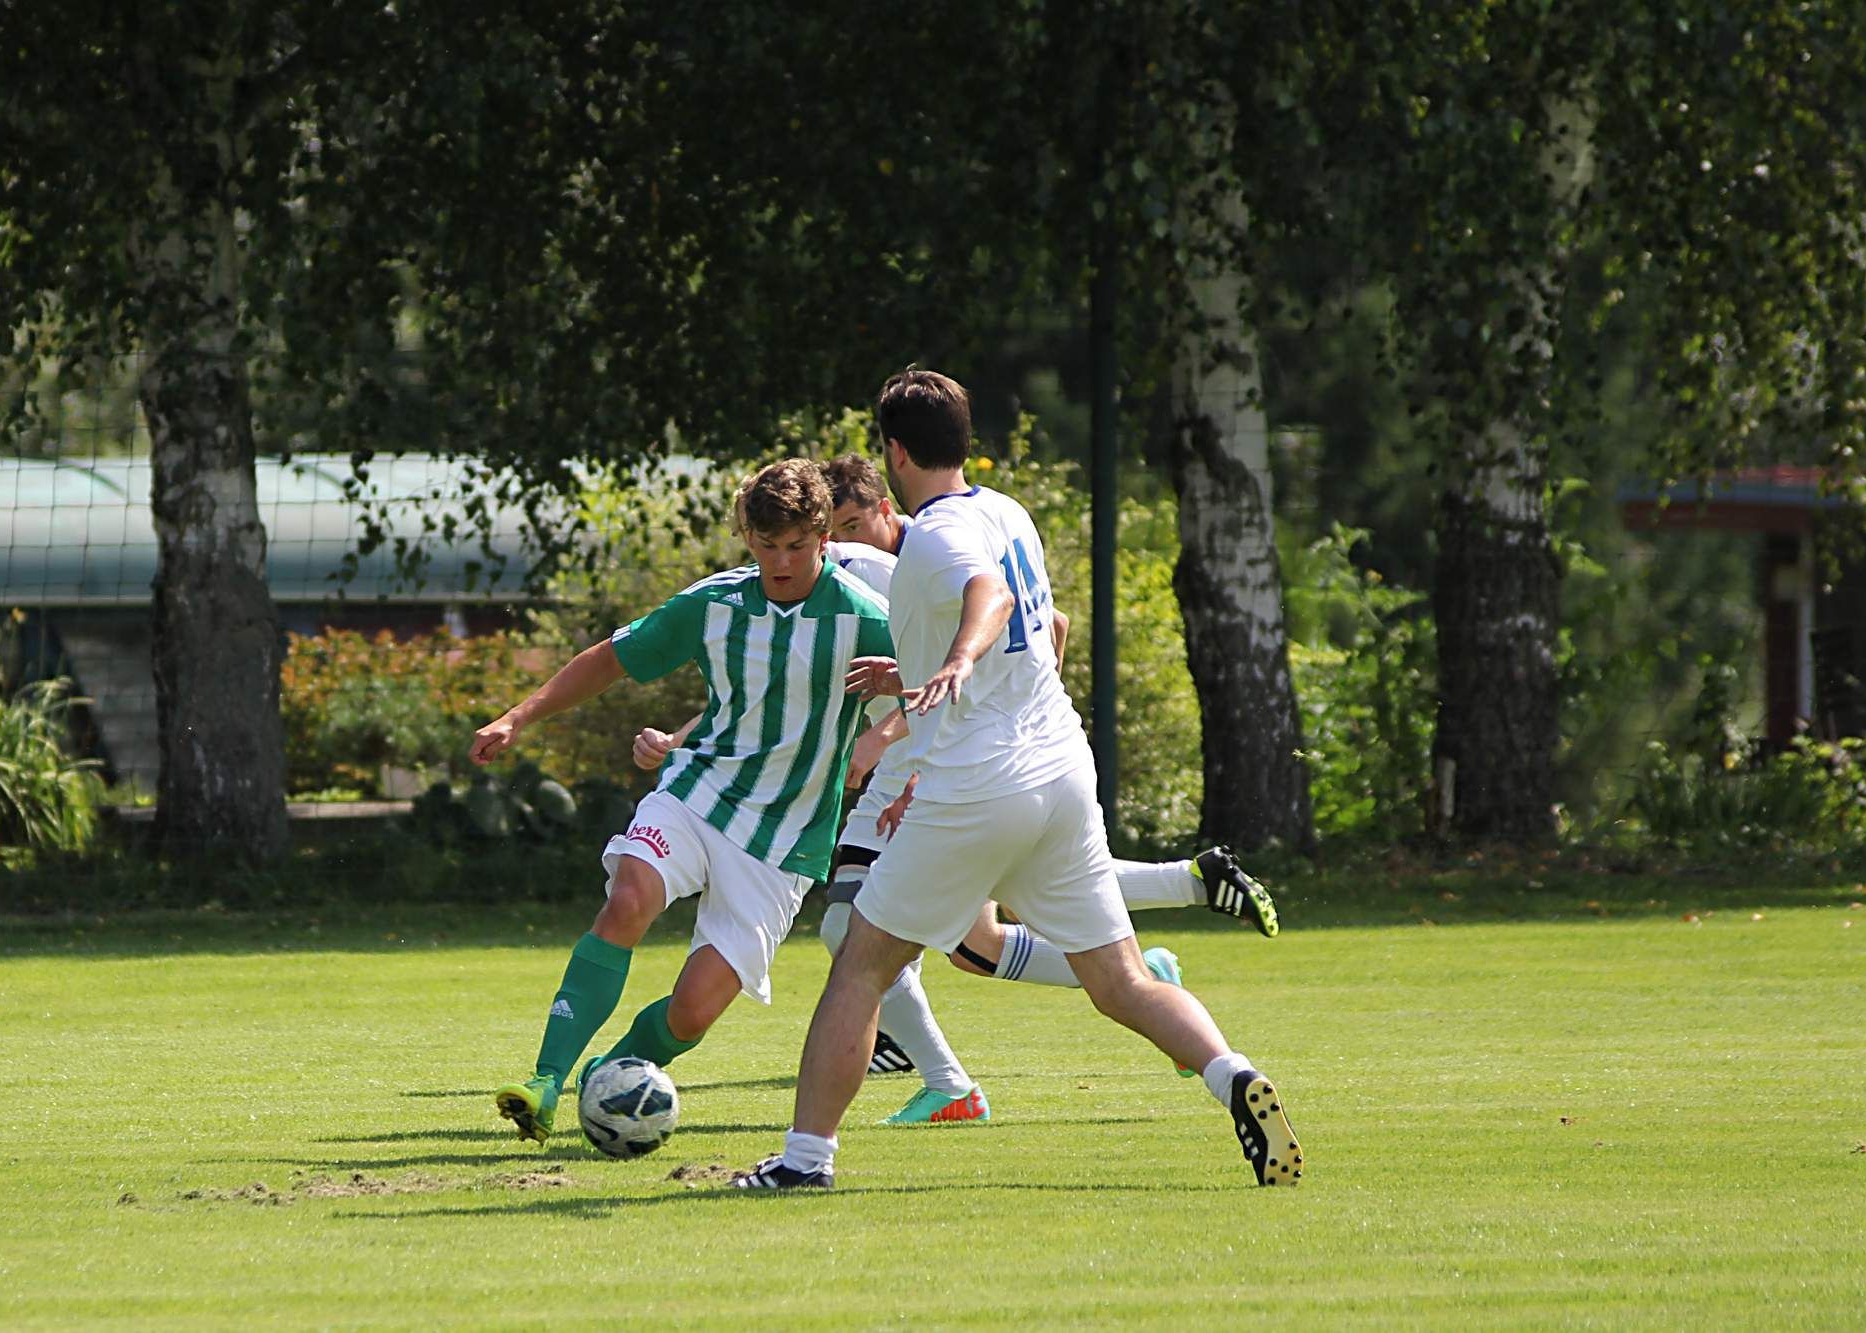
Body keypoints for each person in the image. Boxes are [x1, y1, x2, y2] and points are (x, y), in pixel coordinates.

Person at [734, 369, 1303, 1189]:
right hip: (1060, 772)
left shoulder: (936, 534)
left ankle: (803, 1160)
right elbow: (1031, 630)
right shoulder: (1008, 510)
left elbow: (990, 597)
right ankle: (1234, 1073)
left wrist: (957, 659)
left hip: (979, 784)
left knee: (858, 962)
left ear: (896, 453)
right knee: (1121, 979)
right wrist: (915, 674)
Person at [823, 453, 1280, 1085]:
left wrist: (906, 731)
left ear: (884, 502)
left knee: (869, 940)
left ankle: (928, 1085)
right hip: (1013, 763)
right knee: (992, 941)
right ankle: (1191, 897)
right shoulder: (989, 513)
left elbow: (995, 636)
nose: (842, 542)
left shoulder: (912, 553)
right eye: (833, 532)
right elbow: (1035, 633)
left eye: (850, 525)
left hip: (964, 770)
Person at [474, 458, 892, 1145]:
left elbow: (940, 688)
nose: (781, 562)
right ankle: (545, 1081)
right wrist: (518, 717)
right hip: (699, 792)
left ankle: (608, 1078)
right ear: (747, 537)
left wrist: (892, 744)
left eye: (796, 545)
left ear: (824, 538)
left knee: (693, 1013)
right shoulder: (715, 603)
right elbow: (610, 658)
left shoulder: (865, 617)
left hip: (784, 839)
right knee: (628, 899)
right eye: (766, 545)